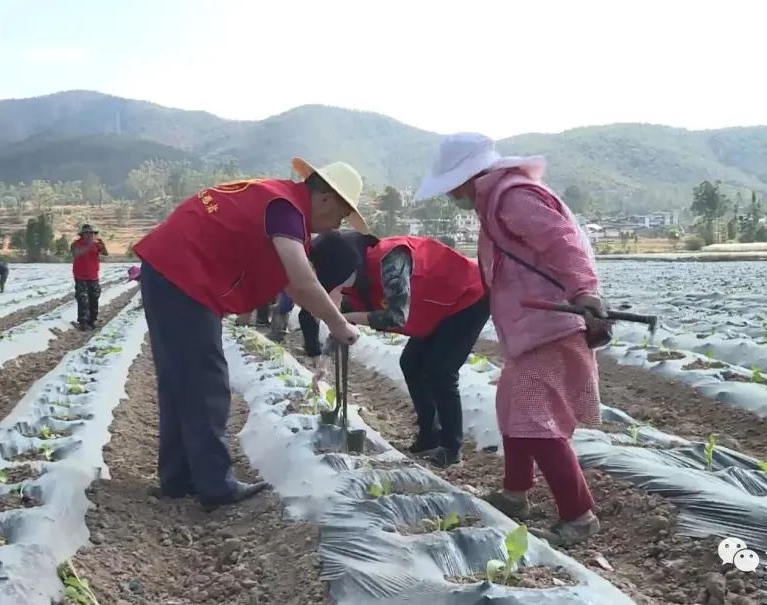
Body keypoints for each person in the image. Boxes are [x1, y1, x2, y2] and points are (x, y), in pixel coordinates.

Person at [131, 157, 367, 511]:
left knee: (180, 379)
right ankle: (215, 485)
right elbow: (301, 281)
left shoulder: (275, 198)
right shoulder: (287, 209)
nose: (336, 225)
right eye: (341, 215)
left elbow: (292, 282)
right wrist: (338, 324)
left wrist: (329, 318)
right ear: (326, 198)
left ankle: (178, 480)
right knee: (206, 381)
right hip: (184, 276)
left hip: (169, 271)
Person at [414, 132, 609, 546]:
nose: (451, 194)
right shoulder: (497, 200)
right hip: (530, 328)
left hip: (552, 324)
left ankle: (579, 515)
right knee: (512, 409)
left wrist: (585, 292)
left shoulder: (514, 197)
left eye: (452, 185)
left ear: (468, 177)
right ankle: (515, 494)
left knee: (535, 419)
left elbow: (562, 242)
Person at [300, 231, 489, 467]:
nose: (334, 287)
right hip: (434, 307)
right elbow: (341, 325)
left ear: (347, 267)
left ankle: (451, 447)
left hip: (467, 297)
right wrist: (324, 362)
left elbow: (396, 316)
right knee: (410, 363)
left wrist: (348, 318)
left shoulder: (392, 260)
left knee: (441, 371)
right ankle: (430, 435)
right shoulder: (355, 280)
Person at [71, 224, 108, 330]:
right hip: (80, 275)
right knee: (82, 299)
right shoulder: (76, 244)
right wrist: (89, 245)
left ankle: (92, 320)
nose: (90, 235)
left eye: (91, 233)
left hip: (93, 275)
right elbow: (76, 253)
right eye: (87, 233)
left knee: (94, 298)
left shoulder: (97, 244)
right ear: (82, 234)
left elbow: (105, 253)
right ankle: (83, 322)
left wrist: (101, 245)